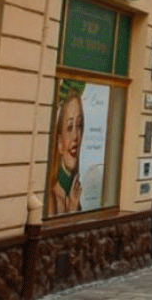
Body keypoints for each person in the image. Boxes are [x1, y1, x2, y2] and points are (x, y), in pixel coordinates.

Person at [48, 87, 85, 215]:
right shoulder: (51, 198)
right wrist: (71, 211)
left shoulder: (75, 193)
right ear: (59, 143)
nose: (76, 136)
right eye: (69, 127)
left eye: (79, 125)